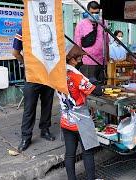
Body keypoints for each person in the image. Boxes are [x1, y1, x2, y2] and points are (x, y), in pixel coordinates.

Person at [57, 45, 99, 180]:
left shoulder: (57, 74)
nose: (81, 59)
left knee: (70, 154)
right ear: (73, 60)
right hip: (81, 120)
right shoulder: (75, 76)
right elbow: (94, 90)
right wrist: (98, 85)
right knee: (88, 153)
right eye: (79, 57)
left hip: (65, 120)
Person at [12, 28, 55, 152]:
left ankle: (44, 130)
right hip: (33, 75)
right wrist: (26, 64)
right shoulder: (23, 30)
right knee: (30, 107)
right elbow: (15, 52)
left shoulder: (48, 26)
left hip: (48, 74)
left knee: (47, 104)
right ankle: (26, 136)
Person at [74, 1, 107, 83]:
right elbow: (77, 44)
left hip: (101, 62)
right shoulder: (81, 24)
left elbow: (106, 42)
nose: (95, 14)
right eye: (92, 12)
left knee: (100, 88)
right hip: (87, 62)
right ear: (87, 11)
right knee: (89, 88)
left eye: (97, 13)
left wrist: (107, 59)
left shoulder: (103, 23)